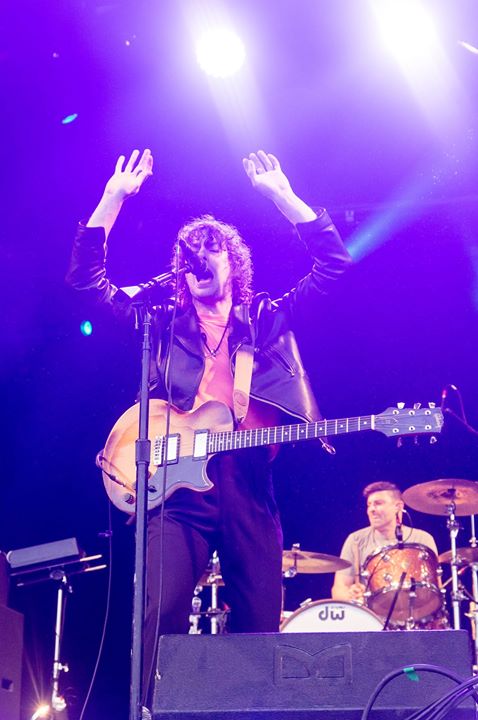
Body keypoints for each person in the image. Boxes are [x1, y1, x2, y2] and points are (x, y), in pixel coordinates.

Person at [66, 148, 351, 702]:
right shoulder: (160, 324)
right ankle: (152, 712)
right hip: (177, 490)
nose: (198, 257)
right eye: (189, 252)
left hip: (247, 484)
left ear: (233, 261)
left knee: (260, 629)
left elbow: (335, 267)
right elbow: (86, 283)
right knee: (161, 613)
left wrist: (283, 197)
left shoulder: (264, 320)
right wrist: (112, 199)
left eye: (211, 247)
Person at [331, 481, 439, 605]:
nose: (371, 509)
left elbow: (435, 589)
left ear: (398, 506)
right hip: (369, 614)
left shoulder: (422, 539)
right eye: (369, 505)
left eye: (378, 503)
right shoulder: (355, 540)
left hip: (414, 611)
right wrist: (352, 597)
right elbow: (339, 588)